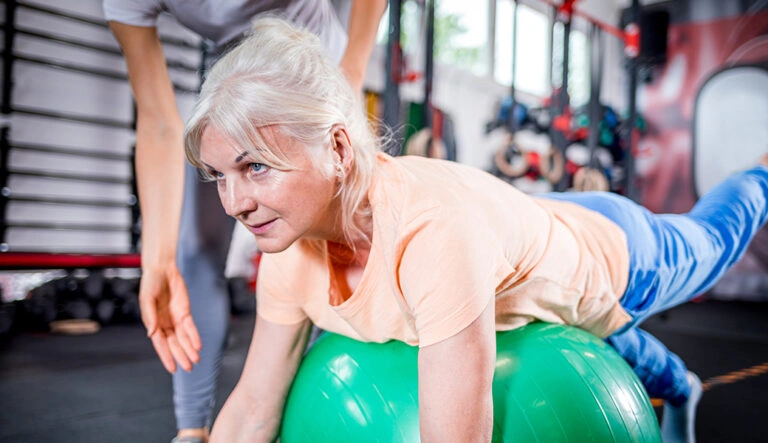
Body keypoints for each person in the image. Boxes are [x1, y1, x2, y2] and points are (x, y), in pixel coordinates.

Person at [184, 17, 768, 443]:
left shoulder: (430, 233)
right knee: (562, 316)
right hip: (524, 237)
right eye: (219, 176)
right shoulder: (288, 242)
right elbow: (255, 407)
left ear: (337, 147)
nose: (234, 202)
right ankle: (683, 387)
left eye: (255, 166)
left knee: (717, 234)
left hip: (617, 257)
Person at [103, 2, 387, 442]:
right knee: (190, 251)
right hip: (233, 71)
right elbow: (159, 123)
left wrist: (350, 73)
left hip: (313, 67)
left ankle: (309, 413)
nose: (235, 206)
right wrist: (157, 262)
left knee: (322, 249)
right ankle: (191, 429)